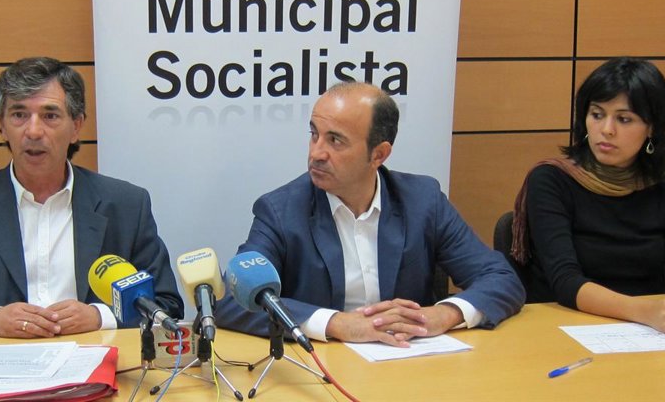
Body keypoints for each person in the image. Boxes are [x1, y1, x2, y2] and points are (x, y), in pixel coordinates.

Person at [216, 82, 525, 347]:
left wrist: (443, 314)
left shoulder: (422, 201)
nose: (316, 153)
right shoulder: (282, 210)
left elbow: (500, 279)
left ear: (379, 154)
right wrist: (336, 323)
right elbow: (230, 300)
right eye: (314, 134)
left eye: (335, 140)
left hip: (408, 363)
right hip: (325, 368)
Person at [0, 57, 183, 340]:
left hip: (96, 361)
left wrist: (100, 316)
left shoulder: (125, 205)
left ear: (76, 127)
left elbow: (167, 306)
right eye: (19, 115)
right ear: (2, 126)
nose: (33, 131)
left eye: (50, 116)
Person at [511, 57, 665, 334]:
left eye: (624, 119)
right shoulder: (552, 180)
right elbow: (565, 281)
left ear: (652, 128)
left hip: (652, 330)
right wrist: (645, 311)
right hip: (565, 325)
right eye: (597, 115)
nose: (606, 129)